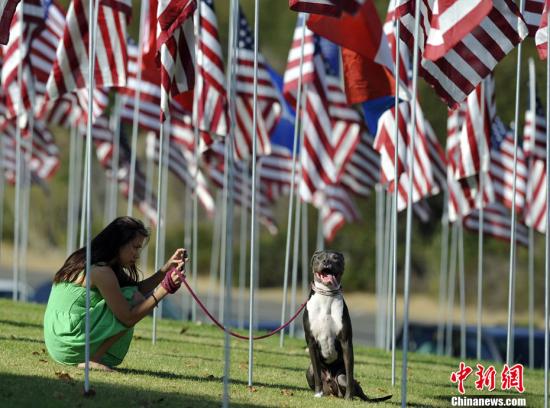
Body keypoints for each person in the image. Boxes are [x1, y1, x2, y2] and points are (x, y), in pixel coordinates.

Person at [43, 216, 187, 371]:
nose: (137, 255)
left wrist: (166, 269)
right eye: (135, 247)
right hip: (69, 343)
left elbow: (136, 288)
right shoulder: (102, 271)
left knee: (131, 294)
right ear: (118, 244)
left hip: (58, 341)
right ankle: (93, 359)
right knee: (133, 299)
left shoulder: (88, 259)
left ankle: (91, 356)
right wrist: (165, 289)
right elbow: (128, 316)